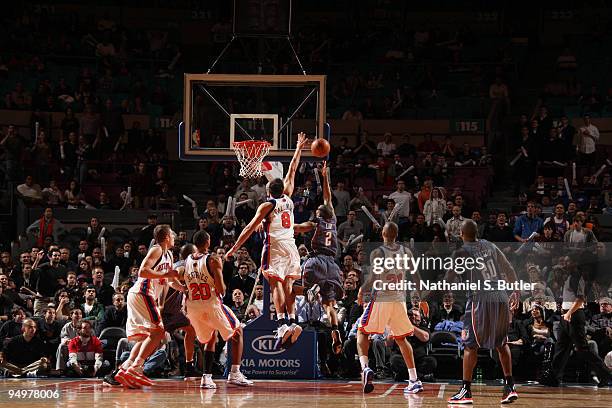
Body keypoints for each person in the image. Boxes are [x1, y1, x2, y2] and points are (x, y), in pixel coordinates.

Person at [226, 132, 309, 346]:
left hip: (275, 246)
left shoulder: (267, 205)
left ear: (267, 189)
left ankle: (282, 325)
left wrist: (234, 248)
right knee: (289, 285)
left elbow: (249, 228)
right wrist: (299, 147)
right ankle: (292, 321)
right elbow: (292, 169)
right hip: (292, 245)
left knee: (276, 286)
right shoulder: (289, 196)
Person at [446, 220, 520, 404]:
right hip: (501, 296)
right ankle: (510, 386)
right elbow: (509, 268)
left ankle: (466, 391)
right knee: (502, 344)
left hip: (480, 298)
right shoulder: (490, 245)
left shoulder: (460, 252)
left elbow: (448, 279)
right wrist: (516, 291)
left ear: (462, 234)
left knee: (470, 346)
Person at [356, 222, 423, 395]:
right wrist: (420, 294)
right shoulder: (406, 252)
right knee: (401, 339)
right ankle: (414, 380)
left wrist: (361, 290)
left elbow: (373, 278)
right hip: (400, 299)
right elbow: (416, 275)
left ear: (382, 234)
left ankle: (365, 368)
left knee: (362, 332)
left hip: (382, 298)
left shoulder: (378, 252)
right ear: (396, 234)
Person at [183, 230, 253, 389]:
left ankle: (206, 378)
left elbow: (180, 278)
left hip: (194, 307)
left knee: (210, 338)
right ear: (208, 242)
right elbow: (221, 290)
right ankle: (235, 373)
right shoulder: (213, 260)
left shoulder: (186, 260)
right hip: (211, 304)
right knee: (237, 332)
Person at [113, 224, 179, 388]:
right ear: (166, 237)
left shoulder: (169, 255)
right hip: (143, 292)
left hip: (144, 295)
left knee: (145, 337)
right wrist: (165, 274)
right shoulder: (157, 249)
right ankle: (136, 369)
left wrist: (185, 288)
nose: (175, 237)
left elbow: (169, 280)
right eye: (172, 234)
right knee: (158, 332)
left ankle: (125, 369)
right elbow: (142, 271)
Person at [295, 161, 344, 354]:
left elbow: (296, 228)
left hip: (316, 261)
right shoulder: (333, 219)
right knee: (329, 305)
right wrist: (325, 177)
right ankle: (335, 330)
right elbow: (328, 195)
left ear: (318, 214)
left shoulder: (315, 223)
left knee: (302, 287)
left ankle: (311, 289)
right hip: (332, 266)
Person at [540, 255, 611, 387]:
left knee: (583, 348)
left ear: (575, 263)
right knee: (561, 348)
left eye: (568, 261)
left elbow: (580, 299)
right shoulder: (568, 277)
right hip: (566, 316)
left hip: (574, 315)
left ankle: (605, 375)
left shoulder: (577, 277)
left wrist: (568, 313)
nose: (565, 263)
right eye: (564, 261)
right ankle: (554, 377)